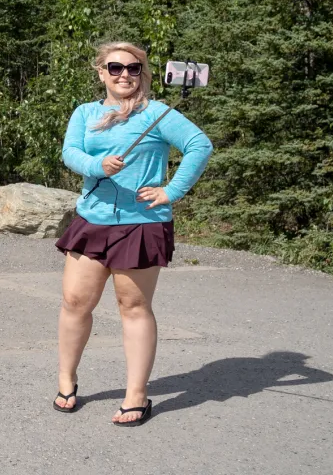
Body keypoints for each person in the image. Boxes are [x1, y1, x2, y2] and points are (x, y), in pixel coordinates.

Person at [52, 42, 213, 426]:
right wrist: (97, 164)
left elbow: (199, 146)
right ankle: (66, 378)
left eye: (133, 68)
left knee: (134, 307)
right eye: (115, 67)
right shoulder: (86, 112)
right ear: (101, 71)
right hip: (92, 221)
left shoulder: (158, 114)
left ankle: (137, 396)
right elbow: (69, 152)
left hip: (141, 224)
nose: (124, 74)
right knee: (75, 302)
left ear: (144, 73)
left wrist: (171, 192)